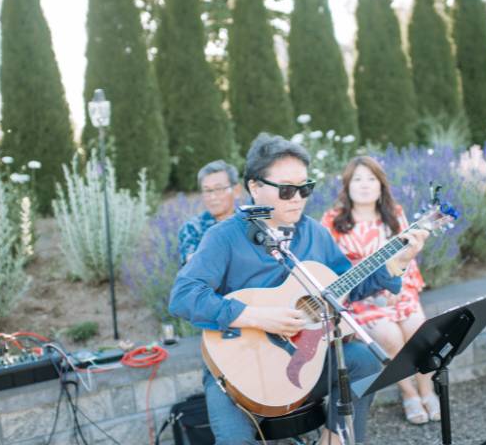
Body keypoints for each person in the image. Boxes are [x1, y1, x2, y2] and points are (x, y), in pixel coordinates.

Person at [169, 134, 429, 445]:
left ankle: (333, 438)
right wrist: (254, 316)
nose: (297, 198)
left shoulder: (314, 234)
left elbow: (346, 286)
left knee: (364, 360)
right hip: (236, 371)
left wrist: (395, 264)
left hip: (301, 362)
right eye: (287, 189)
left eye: (305, 188)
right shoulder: (223, 237)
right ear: (254, 187)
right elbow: (183, 297)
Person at [321, 156, 441, 425]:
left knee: (419, 331)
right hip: (357, 297)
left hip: (398, 289)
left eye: (371, 179)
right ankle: (409, 393)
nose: (364, 185)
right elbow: (327, 267)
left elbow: (408, 257)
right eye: (357, 179)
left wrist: (396, 286)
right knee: (388, 336)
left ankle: (426, 389)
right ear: (347, 186)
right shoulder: (332, 220)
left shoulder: (394, 214)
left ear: (381, 185)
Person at [178, 160, 242, 266]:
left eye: (218, 189)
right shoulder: (193, 227)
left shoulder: (249, 222)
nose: (212, 197)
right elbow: (192, 263)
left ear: (236, 190)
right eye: (207, 190)